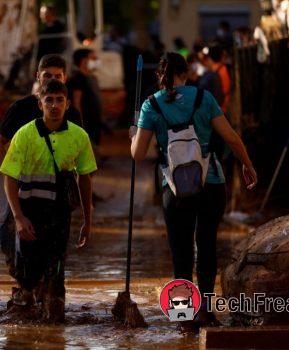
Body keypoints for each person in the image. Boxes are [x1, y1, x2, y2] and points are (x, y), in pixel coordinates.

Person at [130, 52, 257, 330]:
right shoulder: (204, 98)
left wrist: (133, 136)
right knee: (208, 245)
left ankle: (183, 317)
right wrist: (247, 165)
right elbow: (232, 138)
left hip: (174, 188)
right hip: (211, 182)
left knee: (181, 251)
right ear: (186, 73)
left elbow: (138, 154)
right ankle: (207, 312)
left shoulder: (151, 105)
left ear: (159, 75)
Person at [0, 79, 96, 322]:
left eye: (59, 100)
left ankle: (54, 320)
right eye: (49, 100)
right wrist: (19, 218)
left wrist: (87, 219)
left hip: (60, 215)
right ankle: (26, 298)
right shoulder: (24, 135)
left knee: (57, 272)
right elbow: (9, 177)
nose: (54, 105)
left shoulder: (79, 136)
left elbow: (85, 179)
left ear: (67, 104)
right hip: (30, 213)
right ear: (40, 104)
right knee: (28, 271)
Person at [0, 54, 82, 305]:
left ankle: (50, 293)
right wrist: (9, 173)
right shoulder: (21, 108)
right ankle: (25, 283)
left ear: (65, 79)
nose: (52, 81)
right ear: (38, 78)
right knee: (9, 233)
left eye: (58, 77)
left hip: (57, 194)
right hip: (25, 189)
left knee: (55, 248)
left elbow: (81, 158)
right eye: (48, 76)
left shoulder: (72, 114)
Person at [67, 48, 103, 146]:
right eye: (93, 58)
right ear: (84, 61)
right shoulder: (78, 79)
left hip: (94, 124)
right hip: (86, 124)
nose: (97, 61)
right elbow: (76, 103)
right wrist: (80, 124)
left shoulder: (92, 78)